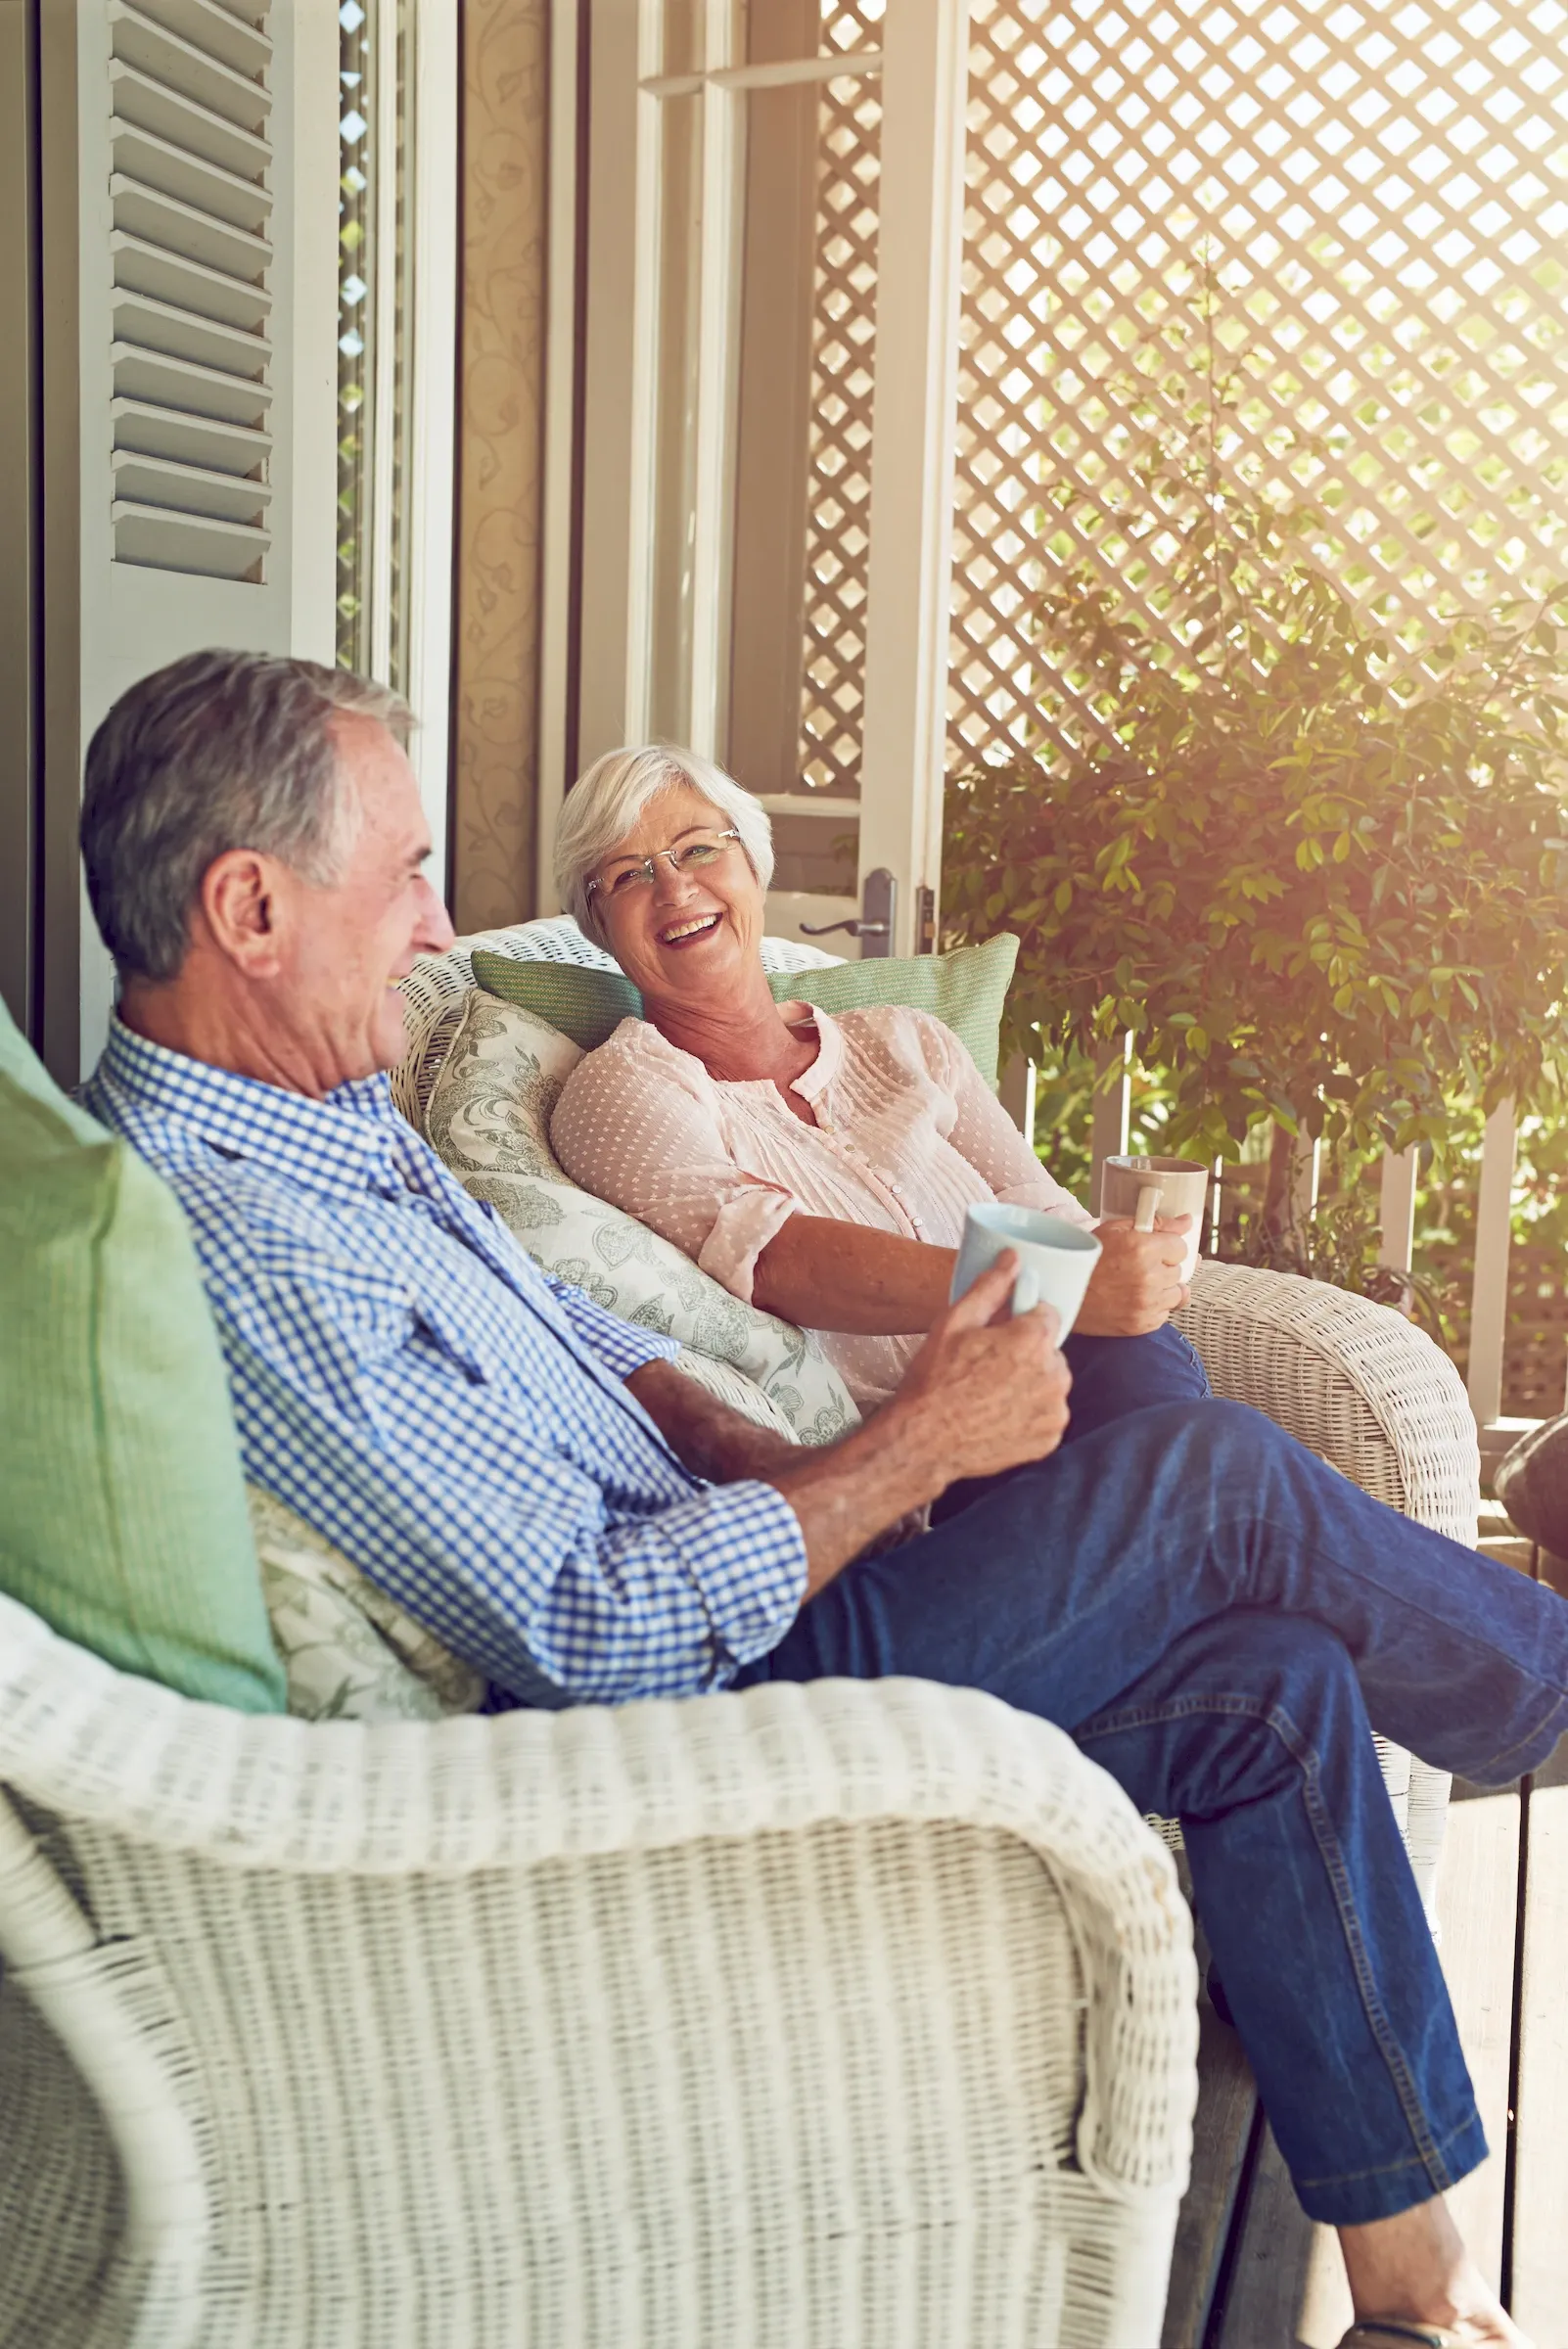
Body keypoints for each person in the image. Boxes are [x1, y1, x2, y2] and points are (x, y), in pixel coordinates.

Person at [78, 650, 1565, 2349]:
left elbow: (572, 1329)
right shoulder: (242, 1234)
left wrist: (779, 1457)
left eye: (691, 851)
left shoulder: (327, 1120)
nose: (434, 935)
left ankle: (1414, 2297)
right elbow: (597, 1634)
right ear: (251, 908)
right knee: (1213, 1477)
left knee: (1275, 1689)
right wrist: (909, 1446)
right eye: (407, 872)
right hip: (696, 1717)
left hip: (762, 1566)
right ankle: (1552, 1695)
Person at [549, 744, 1204, 1431]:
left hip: (1075, 1378)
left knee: (1185, 1410)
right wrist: (1055, 1288)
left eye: (698, 850)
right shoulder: (625, 1086)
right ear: (600, 928)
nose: (676, 889)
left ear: (754, 867)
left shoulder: (907, 1040)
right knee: (1230, 1462)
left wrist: (1126, 1263)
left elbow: (1035, 1205)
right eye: (628, 876)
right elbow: (771, 1260)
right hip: (928, 1457)